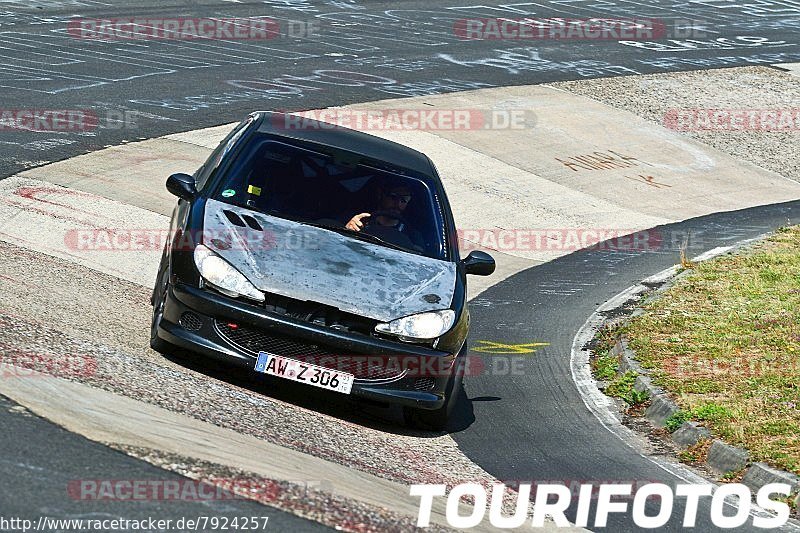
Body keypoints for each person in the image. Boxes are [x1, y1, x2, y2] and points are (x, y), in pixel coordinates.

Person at [345, 181, 424, 252]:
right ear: (380, 195)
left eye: (403, 200)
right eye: (393, 197)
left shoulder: (412, 236)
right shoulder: (360, 221)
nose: (397, 204)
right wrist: (347, 230)